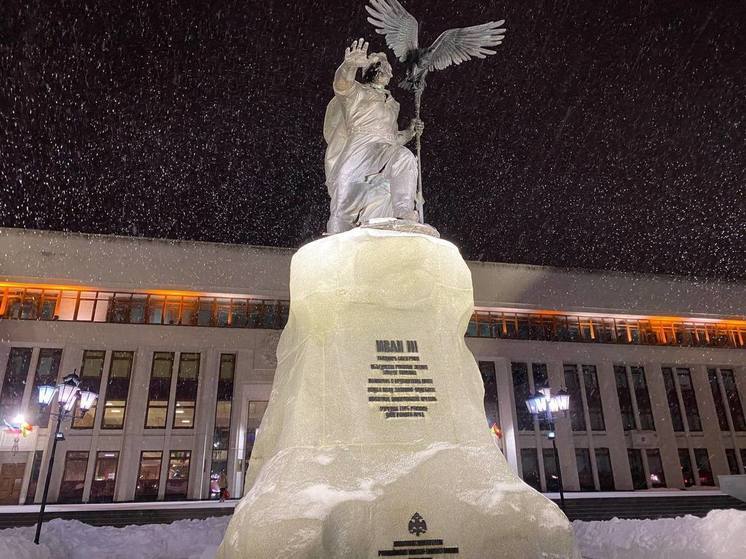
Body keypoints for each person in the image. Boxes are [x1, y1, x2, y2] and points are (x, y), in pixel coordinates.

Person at [324, 38, 424, 234]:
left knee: (403, 157)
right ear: (374, 71)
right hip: (358, 153)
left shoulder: (392, 104)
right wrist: (348, 65)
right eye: (386, 68)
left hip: (382, 151)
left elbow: (392, 138)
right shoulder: (357, 93)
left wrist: (410, 132)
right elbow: (341, 85)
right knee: (342, 215)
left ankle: (403, 212)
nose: (391, 73)